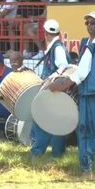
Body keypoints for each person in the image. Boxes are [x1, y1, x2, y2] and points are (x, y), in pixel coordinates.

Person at [50, 18, 95, 173]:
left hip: (91, 94)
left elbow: (81, 73)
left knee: (86, 132)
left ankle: (86, 168)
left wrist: (63, 85)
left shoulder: (93, 47)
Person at [31, 19, 70, 158]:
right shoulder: (57, 47)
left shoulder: (57, 48)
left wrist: (50, 78)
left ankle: (37, 152)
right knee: (56, 121)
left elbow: (63, 66)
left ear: (46, 33)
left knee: (42, 120)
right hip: (55, 90)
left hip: (51, 88)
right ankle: (57, 153)